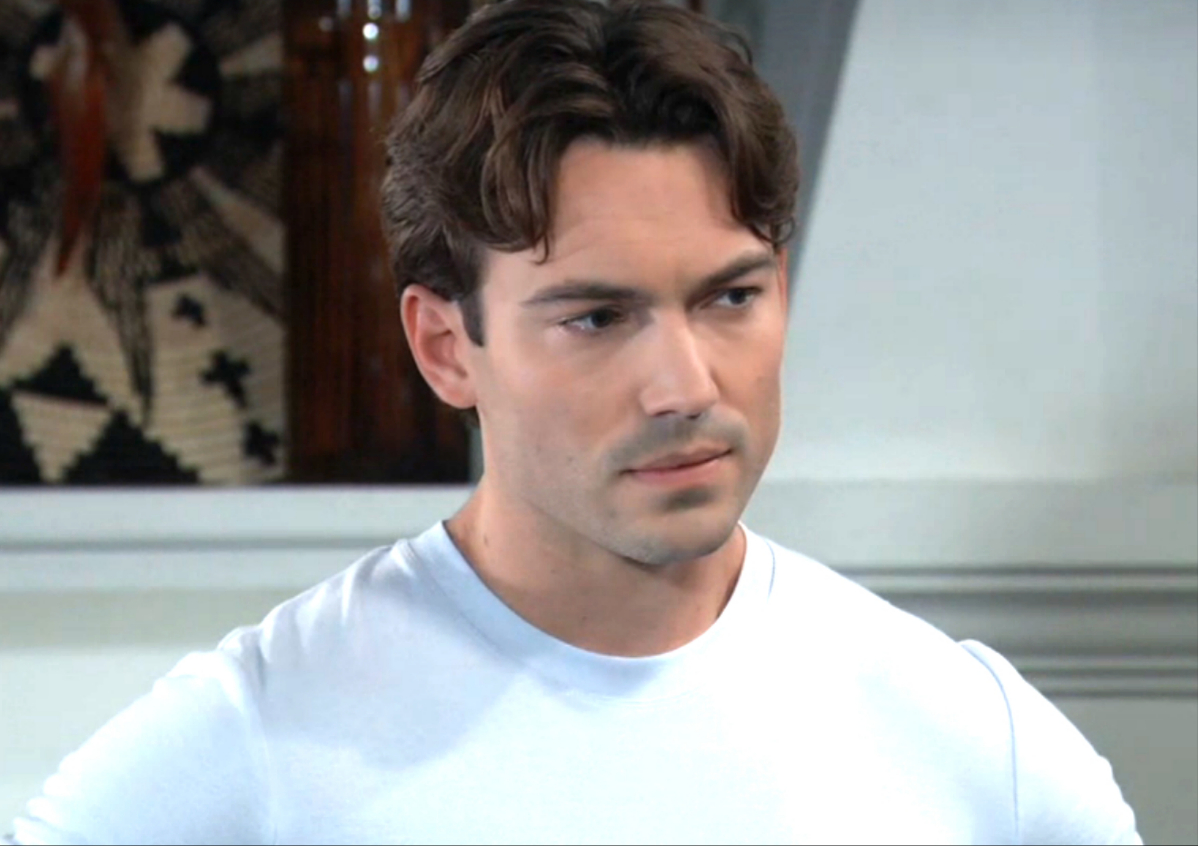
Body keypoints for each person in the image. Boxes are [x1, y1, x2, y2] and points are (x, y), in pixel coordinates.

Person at [9, 1, 1142, 843]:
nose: (684, 385)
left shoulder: (968, 739)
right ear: (446, 347)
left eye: (729, 298)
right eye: (597, 317)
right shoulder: (266, 733)